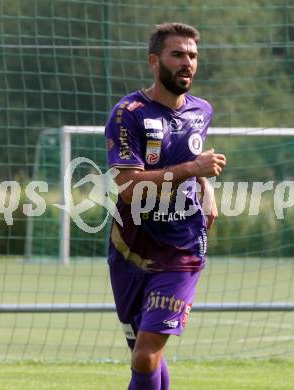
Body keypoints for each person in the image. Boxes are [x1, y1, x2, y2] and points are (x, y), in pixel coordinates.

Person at [105, 22, 226, 390]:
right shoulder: (129, 113)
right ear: (154, 62)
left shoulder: (201, 110)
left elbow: (192, 158)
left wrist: (206, 187)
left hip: (183, 247)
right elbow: (127, 188)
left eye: (192, 56)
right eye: (178, 55)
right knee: (144, 352)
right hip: (130, 246)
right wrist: (194, 170)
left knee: (145, 353)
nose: (187, 62)